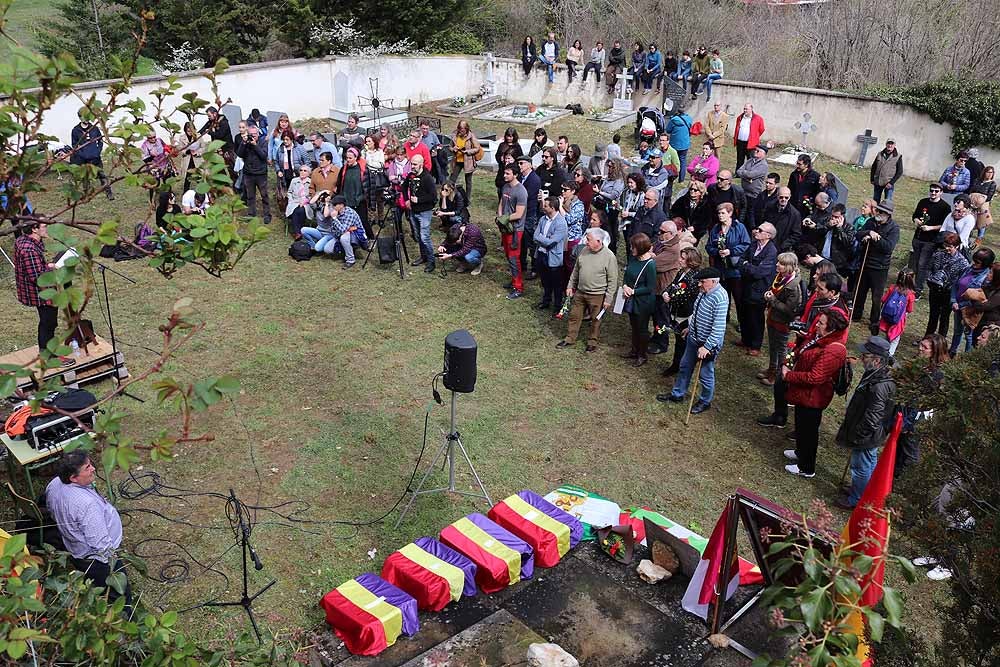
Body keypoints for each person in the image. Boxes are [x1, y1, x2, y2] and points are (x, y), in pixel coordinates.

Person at [758, 271, 848, 428]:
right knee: (782, 378)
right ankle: (780, 416)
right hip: (801, 345)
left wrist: (810, 336)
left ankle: (800, 431)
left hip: (814, 354)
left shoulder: (838, 312)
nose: (816, 290)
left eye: (821, 288)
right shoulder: (819, 298)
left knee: (801, 391)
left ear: (832, 292)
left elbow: (836, 340)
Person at [46, 451, 130, 605]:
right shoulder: (86, 505)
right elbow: (100, 543)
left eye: (90, 464)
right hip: (98, 560)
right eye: (87, 468)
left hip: (76, 550)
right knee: (120, 599)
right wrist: (113, 565)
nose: (93, 469)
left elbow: (51, 511)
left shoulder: (54, 485)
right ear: (73, 478)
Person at [777, 309, 850, 480]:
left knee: (809, 431)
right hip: (804, 394)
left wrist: (789, 375)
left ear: (831, 328)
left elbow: (815, 377)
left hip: (814, 397)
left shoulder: (834, 350)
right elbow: (799, 352)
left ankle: (806, 467)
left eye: (821, 323)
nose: (817, 325)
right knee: (801, 426)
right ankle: (800, 452)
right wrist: (789, 359)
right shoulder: (819, 338)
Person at [834, 336, 897, 508]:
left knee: (860, 466)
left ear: (877, 360)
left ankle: (856, 499)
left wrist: (858, 435)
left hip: (867, 434)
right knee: (868, 462)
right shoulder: (876, 373)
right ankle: (863, 491)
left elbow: (873, 417)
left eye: (865, 355)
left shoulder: (879, 385)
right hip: (873, 434)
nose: (861, 358)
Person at [658, 267, 729, 414]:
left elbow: (718, 328)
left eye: (702, 282)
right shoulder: (703, 292)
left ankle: (705, 401)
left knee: (705, 374)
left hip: (707, 344)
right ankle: (677, 394)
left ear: (714, 281)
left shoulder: (721, 298)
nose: (699, 284)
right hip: (694, 338)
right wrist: (690, 327)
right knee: (685, 366)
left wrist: (707, 347)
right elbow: (696, 312)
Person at [559, 227, 619, 351]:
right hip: (580, 292)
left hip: (597, 295)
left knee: (595, 320)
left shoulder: (609, 256)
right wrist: (570, 286)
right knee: (574, 316)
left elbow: (613, 280)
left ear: (598, 241)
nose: (586, 241)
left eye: (589, 239)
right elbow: (576, 270)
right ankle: (570, 338)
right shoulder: (584, 250)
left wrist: (608, 299)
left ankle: (592, 341)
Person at [853, 201, 900, 335]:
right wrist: (868, 233)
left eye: (881, 212)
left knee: (876, 296)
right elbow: (858, 234)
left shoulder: (893, 228)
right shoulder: (871, 222)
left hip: (880, 267)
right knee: (860, 291)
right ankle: (856, 314)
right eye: (878, 210)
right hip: (865, 263)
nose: (878, 213)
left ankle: (874, 320)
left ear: (888, 215)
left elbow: (888, 247)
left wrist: (875, 238)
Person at [14, 221, 60, 355]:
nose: (47, 229)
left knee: (47, 322)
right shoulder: (29, 250)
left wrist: (47, 266)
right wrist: (52, 268)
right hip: (40, 292)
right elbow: (37, 277)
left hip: (36, 290)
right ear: (34, 229)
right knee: (48, 323)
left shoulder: (23, 240)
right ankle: (48, 355)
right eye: (44, 227)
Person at [760, 252, 803, 386]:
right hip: (773, 317)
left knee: (781, 349)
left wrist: (772, 299)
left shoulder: (793, 287)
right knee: (773, 346)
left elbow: (789, 310)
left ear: (789, 267)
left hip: (782, 322)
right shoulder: (780, 277)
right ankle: (771, 369)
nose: (777, 265)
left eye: (782, 264)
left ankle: (777, 375)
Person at [738, 222, 779, 355]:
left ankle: (755, 345)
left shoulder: (771, 251)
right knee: (744, 313)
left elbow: (759, 272)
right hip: (746, 285)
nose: (756, 231)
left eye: (760, 230)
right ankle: (745, 339)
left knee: (756, 317)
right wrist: (749, 266)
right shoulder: (754, 244)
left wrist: (747, 266)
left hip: (759, 289)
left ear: (768, 235)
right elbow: (740, 260)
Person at [707, 202, 750, 324]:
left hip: (735, 270)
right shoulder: (716, 228)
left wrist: (731, 251)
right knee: (723, 297)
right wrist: (716, 251)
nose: (720, 216)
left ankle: (743, 323)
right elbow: (708, 246)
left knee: (738, 299)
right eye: (719, 213)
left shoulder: (739, 227)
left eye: (723, 213)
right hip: (720, 269)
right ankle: (722, 320)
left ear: (730, 213)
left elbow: (746, 244)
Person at [619, 233, 658, 367]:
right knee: (634, 326)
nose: (631, 249)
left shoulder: (650, 265)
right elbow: (626, 274)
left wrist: (633, 291)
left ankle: (642, 355)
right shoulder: (633, 258)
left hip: (643, 302)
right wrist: (624, 285)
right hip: (631, 299)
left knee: (642, 329)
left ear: (641, 248)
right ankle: (634, 350)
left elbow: (650, 287)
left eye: (633, 247)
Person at [950, 247, 995, 355]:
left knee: (969, 335)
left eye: (977, 262)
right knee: (957, 331)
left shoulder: (986, 278)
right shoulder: (968, 269)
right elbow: (956, 285)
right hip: (957, 307)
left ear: (985, 264)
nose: (974, 263)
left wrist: (961, 304)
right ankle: (952, 351)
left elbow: (979, 298)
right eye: (974, 260)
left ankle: (967, 356)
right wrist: (953, 301)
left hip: (970, 311)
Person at [909, 183, 952, 297]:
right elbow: (915, 215)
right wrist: (917, 221)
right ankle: (910, 285)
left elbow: (944, 225)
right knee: (914, 264)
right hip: (918, 237)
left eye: (936, 191)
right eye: (932, 190)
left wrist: (930, 228)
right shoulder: (923, 202)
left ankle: (917, 290)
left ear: (941, 192)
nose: (933, 193)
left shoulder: (945, 207)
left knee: (922, 265)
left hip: (931, 240)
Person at [924, 233, 970, 339]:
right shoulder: (938, 255)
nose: (947, 248)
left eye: (951, 246)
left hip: (949, 293)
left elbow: (962, 282)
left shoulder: (963, 263)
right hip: (935, 290)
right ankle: (928, 338)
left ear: (957, 246)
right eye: (946, 245)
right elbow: (929, 268)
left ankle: (941, 341)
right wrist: (931, 279)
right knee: (933, 315)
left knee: (944, 318)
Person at [301, 194, 365, 268]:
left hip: (356, 235)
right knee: (327, 249)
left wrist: (334, 218)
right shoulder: (335, 211)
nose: (333, 206)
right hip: (337, 234)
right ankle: (344, 249)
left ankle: (350, 259)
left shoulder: (349, 213)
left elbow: (343, 230)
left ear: (341, 205)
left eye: (335, 204)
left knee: (344, 238)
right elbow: (311, 203)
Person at [649, 220, 683, 355]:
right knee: (656, 317)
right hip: (656, 287)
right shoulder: (663, 241)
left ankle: (661, 343)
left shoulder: (673, 250)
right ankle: (656, 337)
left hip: (663, 289)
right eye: (659, 230)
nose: (659, 233)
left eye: (662, 232)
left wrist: (653, 255)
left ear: (670, 234)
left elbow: (653, 263)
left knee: (662, 319)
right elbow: (650, 249)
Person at [534, 195, 568, 314]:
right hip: (541, 255)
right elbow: (535, 236)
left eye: (546, 206)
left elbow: (551, 242)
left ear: (553, 208)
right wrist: (544, 238)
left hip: (553, 258)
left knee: (556, 284)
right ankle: (546, 301)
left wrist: (542, 239)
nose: (543, 207)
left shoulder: (561, 223)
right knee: (545, 281)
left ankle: (557, 305)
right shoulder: (543, 219)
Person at [497, 164, 527, 299]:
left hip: (515, 230)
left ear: (515, 174)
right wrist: (499, 217)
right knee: (509, 256)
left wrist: (505, 218)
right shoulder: (505, 186)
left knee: (514, 258)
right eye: (504, 173)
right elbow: (501, 203)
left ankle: (518, 287)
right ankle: (514, 280)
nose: (504, 176)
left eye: (507, 173)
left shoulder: (521, 191)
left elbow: (519, 214)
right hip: (505, 227)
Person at [70, 107, 113, 199]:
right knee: (85, 177)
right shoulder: (75, 130)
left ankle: (108, 192)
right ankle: (87, 194)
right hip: (83, 158)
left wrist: (98, 151)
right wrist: (82, 154)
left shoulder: (94, 128)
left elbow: (100, 140)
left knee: (101, 174)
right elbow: (74, 145)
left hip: (95, 157)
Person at [405, 154, 437, 272]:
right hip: (414, 211)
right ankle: (423, 257)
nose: (412, 166)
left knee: (425, 237)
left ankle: (431, 261)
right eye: (411, 164)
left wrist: (419, 200)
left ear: (421, 164)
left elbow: (433, 196)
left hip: (425, 212)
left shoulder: (427, 178)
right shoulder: (411, 176)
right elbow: (404, 187)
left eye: (415, 164)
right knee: (418, 236)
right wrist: (407, 199)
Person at [235, 123, 270, 224]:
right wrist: (243, 143)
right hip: (248, 173)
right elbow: (239, 154)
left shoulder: (263, 142)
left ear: (258, 134)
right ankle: (251, 214)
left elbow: (264, 156)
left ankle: (267, 214)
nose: (253, 136)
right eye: (251, 134)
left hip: (261, 173)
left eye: (255, 134)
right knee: (250, 195)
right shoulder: (245, 143)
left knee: (264, 195)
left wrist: (255, 145)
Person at [879, 269, 917, 355]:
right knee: (895, 339)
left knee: (884, 334)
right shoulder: (910, 294)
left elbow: (883, 299)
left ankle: (880, 350)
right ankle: (889, 355)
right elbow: (910, 309)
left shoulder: (892, 288)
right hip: (898, 320)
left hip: (886, 316)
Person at [516, 156, 542, 277]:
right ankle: (522, 265)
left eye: (521, 163)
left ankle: (535, 268)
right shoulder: (521, 177)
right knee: (521, 242)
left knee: (531, 242)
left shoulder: (534, 179)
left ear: (529, 165)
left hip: (529, 214)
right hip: (522, 214)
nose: (519, 165)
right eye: (519, 163)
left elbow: (526, 197)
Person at [336, 147, 370, 236]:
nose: (348, 160)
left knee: (363, 221)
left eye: (350, 158)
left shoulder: (363, 169)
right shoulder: (343, 169)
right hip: (347, 200)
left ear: (356, 158)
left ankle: (369, 238)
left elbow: (368, 185)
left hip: (359, 200)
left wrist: (364, 197)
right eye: (346, 158)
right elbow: (339, 184)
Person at [200, 106, 236, 181]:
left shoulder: (224, 122)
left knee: (231, 169)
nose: (208, 118)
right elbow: (202, 129)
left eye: (209, 116)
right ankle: (224, 184)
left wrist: (209, 132)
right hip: (217, 149)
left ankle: (237, 187)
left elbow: (220, 135)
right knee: (218, 168)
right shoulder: (211, 121)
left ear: (215, 114)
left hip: (227, 149)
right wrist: (197, 135)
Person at [140, 129, 175, 204]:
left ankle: (170, 197)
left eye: (154, 137)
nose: (153, 139)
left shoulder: (159, 140)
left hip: (164, 165)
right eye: (150, 138)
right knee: (154, 184)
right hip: (154, 167)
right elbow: (144, 159)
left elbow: (166, 146)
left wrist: (166, 151)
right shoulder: (144, 145)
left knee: (167, 181)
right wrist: (151, 156)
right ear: (147, 138)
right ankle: (152, 200)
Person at [449, 120, 481, 198]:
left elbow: (477, 148)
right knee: (452, 179)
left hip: (468, 161)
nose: (461, 131)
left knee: (468, 181)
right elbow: (450, 146)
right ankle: (449, 196)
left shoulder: (471, 136)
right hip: (457, 161)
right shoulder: (455, 135)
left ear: (466, 129)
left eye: (463, 129)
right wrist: (453, 149)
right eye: (460, 129)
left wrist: (467, 151)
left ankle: (467, 199)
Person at [970, 263, 1000, 343]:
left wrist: (978, 301)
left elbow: (984, 306)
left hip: (990, 328)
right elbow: (975, 297)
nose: (988, 274)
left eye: (991, 272)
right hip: (980, 323)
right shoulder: (988, 286)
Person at [176, 121, 208, 193]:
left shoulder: (198, 136)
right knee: (187, 178)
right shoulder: (182, 138)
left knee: (199, 177)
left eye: (191, 131)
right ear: (185, 131)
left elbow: (203, 147)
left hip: (197, 160)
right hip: (188, 160)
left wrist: (197, 153)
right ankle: (185, 193)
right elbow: (180, 148)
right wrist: (186, 151)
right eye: (188, 131)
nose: (190, 132)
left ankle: (202, 193)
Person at [274, 131, 309, 195]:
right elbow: (276, 161)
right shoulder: (280, 149)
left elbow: (307, 161)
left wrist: (306, 173)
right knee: (288, 194)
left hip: (297, 175)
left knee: (299, 193)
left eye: (287, 139)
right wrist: (278, 171)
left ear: (292, 139)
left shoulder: (299, 148)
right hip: (285, 176)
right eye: (283, 139)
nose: (285, 141)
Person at [733, 103, 765, 170]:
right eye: (744, 109)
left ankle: (748, 173)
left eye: (746, 109)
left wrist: (754, 136)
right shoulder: (740, 117)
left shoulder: (758, 118)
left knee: (750, 159)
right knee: (739, 158)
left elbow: (762, 129)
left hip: (751, 143)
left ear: (751, 109)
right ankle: (738, 173)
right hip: (740, 142)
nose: (745, 110)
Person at [285, 165, 314, 238]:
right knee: (295, 210)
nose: (302, 172)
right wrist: (291, 201)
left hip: (306, 203)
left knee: (301, 210)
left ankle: (298, 231)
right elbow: (289, 192)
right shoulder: (294, 181)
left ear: (308, 173)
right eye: (301, 170)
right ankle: (298, 232)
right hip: (294, 202)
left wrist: (305, 201)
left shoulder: (311, 182)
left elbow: (312, 195)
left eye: (305, 171)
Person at [736, 145, 768, 210]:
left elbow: (751, 175)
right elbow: (738, 171)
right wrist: (747, 177)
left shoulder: (763, 165)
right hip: (744, 192)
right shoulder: (750, 160)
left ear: (763, 154)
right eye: (755, 150)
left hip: (753, 195)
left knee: (750, 214)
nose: (755, 152)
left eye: (758, 151)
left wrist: (744, 174)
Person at [667, 111, 694, 181]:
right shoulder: (689, 119)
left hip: (674, 144)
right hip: (685, 144)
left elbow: (668, 130)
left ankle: (672, 176)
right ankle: (681, 178)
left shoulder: (673, 120)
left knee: (672, 160)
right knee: (682, 161)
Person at [619, 172, 645, 241]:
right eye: (628, 182)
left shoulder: (642, 195)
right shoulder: (627, 192)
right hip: (626, 222)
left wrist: (629, 214)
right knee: (627, 241)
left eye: (631, 183)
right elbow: (624, 204)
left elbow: (641, 212)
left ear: (637, 182)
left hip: (636, 223)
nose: (629, 185)